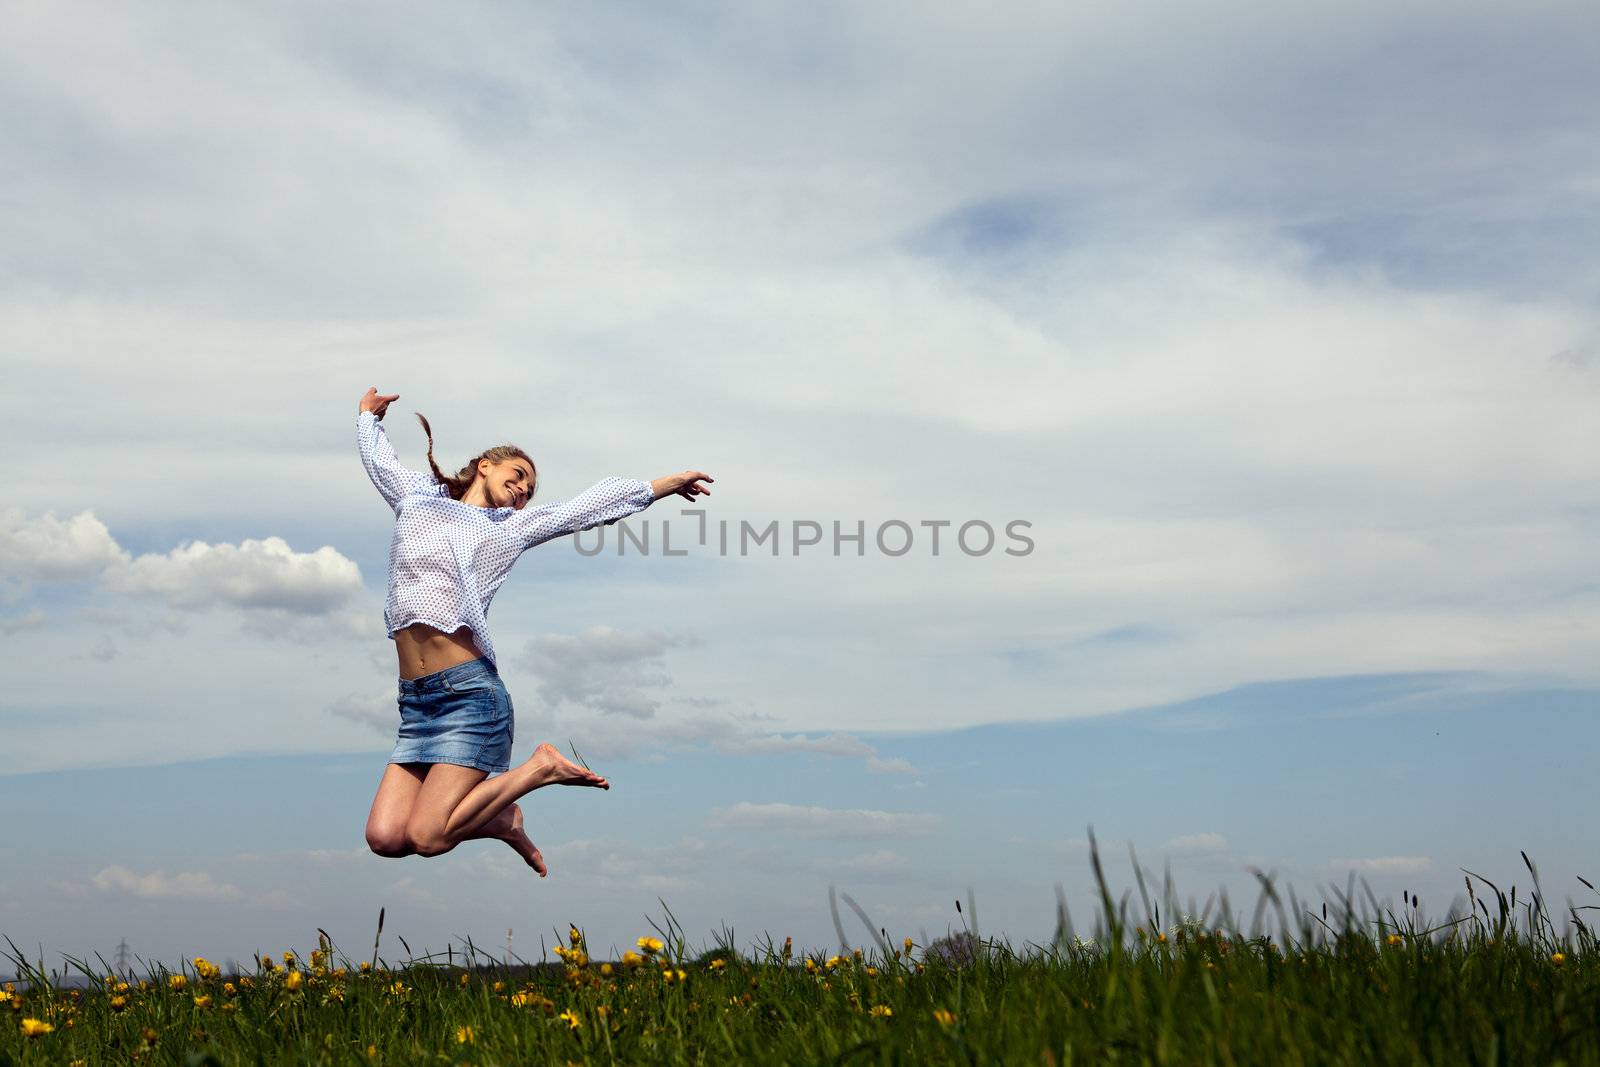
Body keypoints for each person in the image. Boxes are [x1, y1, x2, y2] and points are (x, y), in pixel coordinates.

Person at [354, 387, 713, 876]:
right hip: (415, 703)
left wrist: (665, 484)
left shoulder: (508, 528)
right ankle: (497, 817)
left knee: (429, 836)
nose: (523, 488)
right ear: (484, 465)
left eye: (530, 487)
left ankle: (539, 768)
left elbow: (586, 507)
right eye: (518, 475)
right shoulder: (416, 499)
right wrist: (367, 419)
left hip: (468, 697)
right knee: (385, 838)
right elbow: (381, 463)